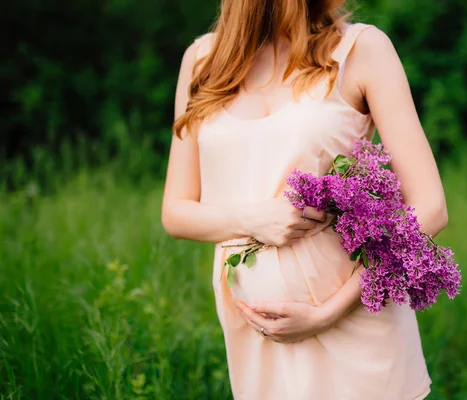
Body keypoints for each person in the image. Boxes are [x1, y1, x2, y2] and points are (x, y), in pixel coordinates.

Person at [161, 0, 448, 398]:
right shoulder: (202, 61)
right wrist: (253, 219)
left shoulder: (361, 50)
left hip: (356, 327)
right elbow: (176, 212)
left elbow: (430, 207)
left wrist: (326, 313)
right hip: (260, 337)